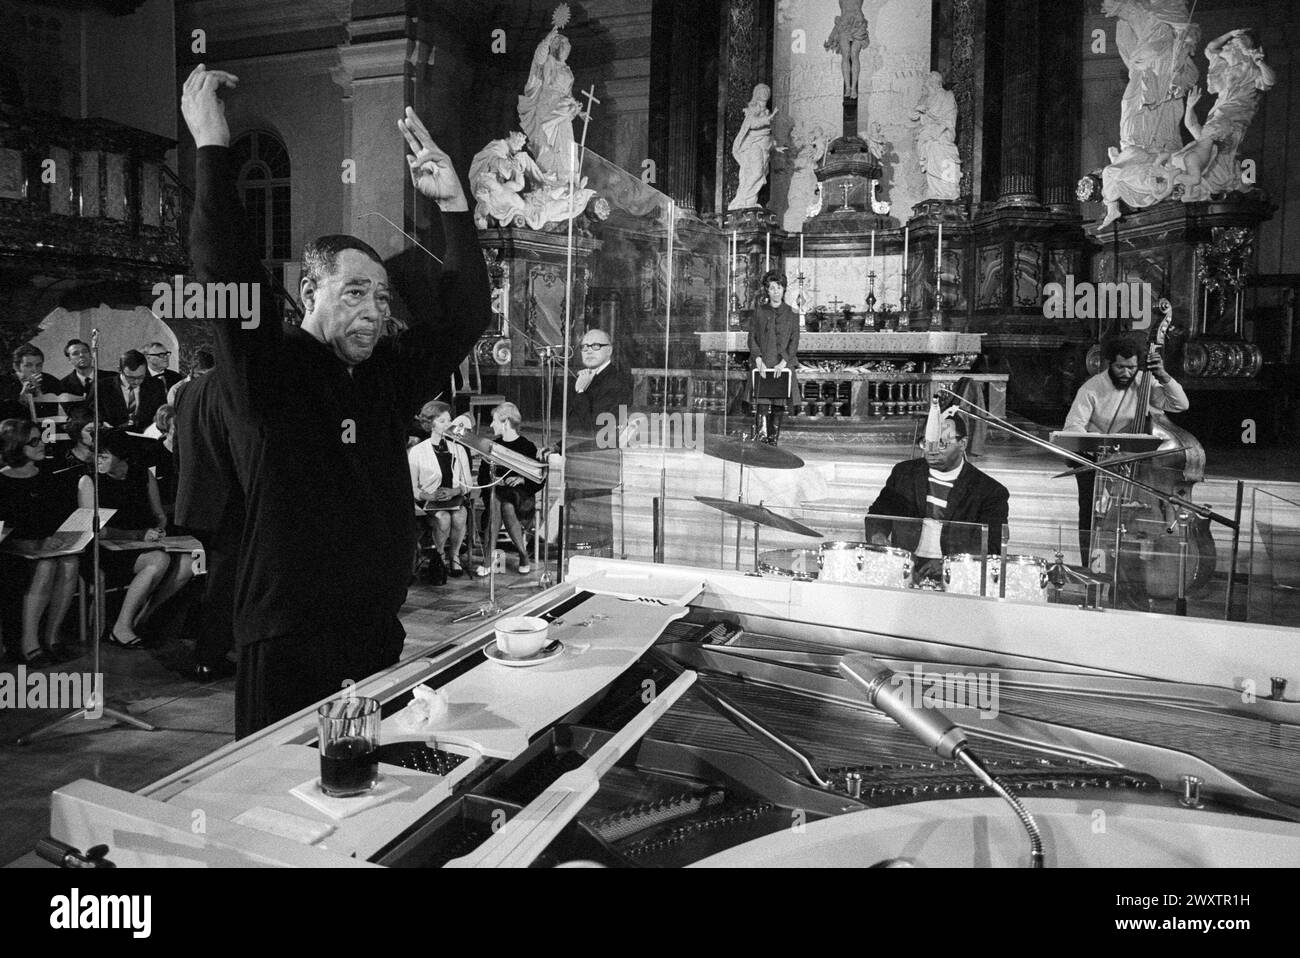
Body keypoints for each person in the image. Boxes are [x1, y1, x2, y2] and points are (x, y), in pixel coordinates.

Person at [182, 65, 490, 735]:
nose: (375, 311)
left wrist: (454, 208)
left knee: (363, 794)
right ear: (309, 293)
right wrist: (211, 145)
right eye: (355, 293)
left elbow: (464, 318)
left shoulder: (386, 373)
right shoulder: (267, 372)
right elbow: (223, 270)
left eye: (382, 297)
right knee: (277, 799)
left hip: (374, 629)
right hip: (288, 634)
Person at [1063, 334, 1189, 564]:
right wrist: (1099, 442)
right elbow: (1073, 428)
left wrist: (1162, 375)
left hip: (1139, 465)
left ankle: (1134, 563)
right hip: (1099, 462)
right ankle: (1089, 563)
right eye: (1120, 367)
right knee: (1090, 515)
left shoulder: (1145, 381)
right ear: (1109, 363)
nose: (1127, 373)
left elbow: (1180, 405)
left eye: (1131, 367)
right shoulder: (1091, 389)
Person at [79, 428, 192, 649]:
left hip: (142, 545)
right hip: (105, 550)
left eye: (104, 456)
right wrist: (139, 535)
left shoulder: (142, 475)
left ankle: (143, 618)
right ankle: (121, 628)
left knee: (189, 562)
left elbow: (159, 514)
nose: (97, 461)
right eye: (96, 455)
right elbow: (95, 530)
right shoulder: (89, 481)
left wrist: (159, 529)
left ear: (121, 456)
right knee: (158, 560)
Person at [866, 412, 1010, 582]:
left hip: (956, 574)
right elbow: (877, 514)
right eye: (927, 443)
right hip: (905, 566)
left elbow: (993, 546)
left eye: (941, 444)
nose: (931, 451)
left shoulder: (989, 491)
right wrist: (878, 535)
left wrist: (950, 564)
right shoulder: (904, 473)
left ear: (962, 443)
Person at [174, 370, 243, 682]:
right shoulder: (235, 386)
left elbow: (179, 444)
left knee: (218, 579)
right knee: (225, 583)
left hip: (196, 499)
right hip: (229, 501)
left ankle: (213, 650)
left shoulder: (191, 389)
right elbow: (241, 448)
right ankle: (210, 656)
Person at [0, 418, 80, 665]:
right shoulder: (2, 481)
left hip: (45, 547)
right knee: (46, 566)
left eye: (41, 438)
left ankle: (52, 636)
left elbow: (58, 516)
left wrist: (56, 537)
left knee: (70, 562)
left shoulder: (47, 475)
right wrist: (32, 546)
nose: (42, 444)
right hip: (12, 552)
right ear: (16, 445)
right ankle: (28, 642)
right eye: (34, 441)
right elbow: (4, 530)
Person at [409, 400, 473, 578]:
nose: (448, 424)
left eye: (449, 420)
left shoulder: (458, 449)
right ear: (431, 424)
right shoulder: (417, 451)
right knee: (443, 518)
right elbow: (411, 487)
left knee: (460, 516)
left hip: (453, 497)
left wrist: (454, 491)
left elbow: (467, 482)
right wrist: (428, 494)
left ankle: (454, 555)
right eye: (443, 421)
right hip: (428, 500)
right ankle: (439, 557)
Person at [475, 402, 540, 576]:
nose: (490, 425)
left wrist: (521, 479)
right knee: (498, 502)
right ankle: (495, 556)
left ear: (505, 422)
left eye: (494, 420)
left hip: (521, 497)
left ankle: (521, 554)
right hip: (496, 494)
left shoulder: (527, 447)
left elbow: (538, 480)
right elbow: (482, 477)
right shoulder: (492, 447)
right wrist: (493, 480)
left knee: (507, 505)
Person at [748, 270, 799, 444]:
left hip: (782, 366)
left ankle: (773, 442)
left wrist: (783, 362)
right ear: (767, 290)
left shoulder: (792, 313)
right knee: (762, 405)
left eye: (779, 287)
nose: (775, 291)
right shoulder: (759, 311)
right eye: (771, 288)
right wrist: (758, 360)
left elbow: (794, 341)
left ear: (784, 289)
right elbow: (752, 338)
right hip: (763, 364)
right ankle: (761, 444)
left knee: (779, 405)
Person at [729, 84, 783, 210]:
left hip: (764, 146)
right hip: (753, 145)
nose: (765, 93)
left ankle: (749, 202)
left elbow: (767, 134)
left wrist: (775, 146)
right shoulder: (753, 108)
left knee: (760, 175)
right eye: (762, 90)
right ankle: (741, 198)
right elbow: (752, 123)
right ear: (757, 93)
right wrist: (768, 118)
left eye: (767, 90)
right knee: (756, 172)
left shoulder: (767, 111)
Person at [100, 350, 166, 430]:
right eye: (131, 377)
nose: (136, 381)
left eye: (141, 376)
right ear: (120, 370)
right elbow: (90, 414)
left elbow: (162, 414)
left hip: (147, 439)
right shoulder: (102, 387)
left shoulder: (156, 385)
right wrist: (101, 423)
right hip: (113, 438)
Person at [1, 344, 63, 421]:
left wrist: (39, 393)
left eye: (39, 365)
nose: (34, 370)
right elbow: (5, 416)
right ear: (16, 367)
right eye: (28, 365)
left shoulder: (51, 381)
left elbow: (52, 414)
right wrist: (22, 397)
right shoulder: (3, 382)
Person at [824, 0, 870, 99]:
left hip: (858, 24)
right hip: (844, 24)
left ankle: (853, 88)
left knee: (854, 53)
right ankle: (848, 88)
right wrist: (831, 38)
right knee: (846, 54)